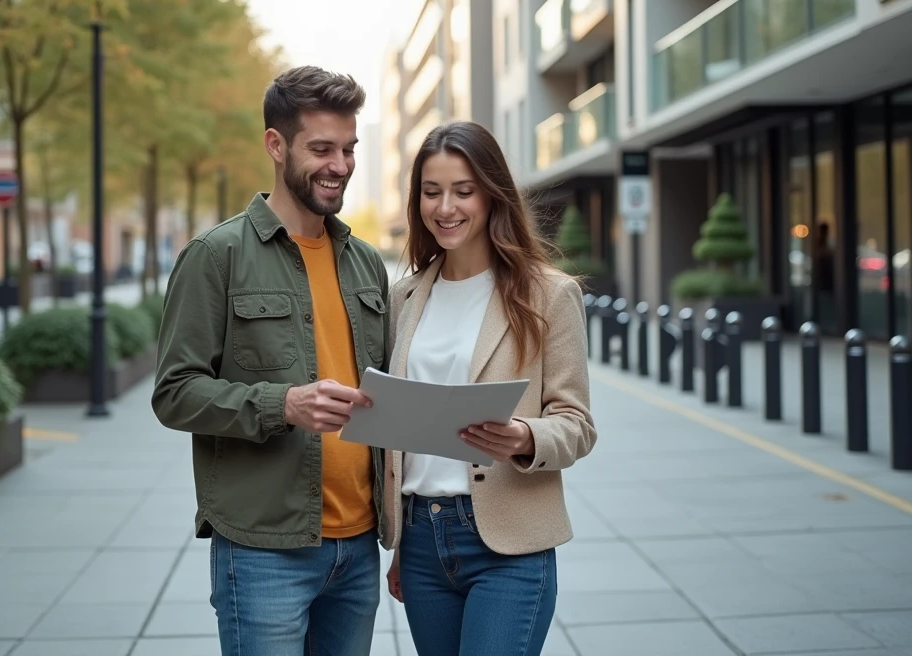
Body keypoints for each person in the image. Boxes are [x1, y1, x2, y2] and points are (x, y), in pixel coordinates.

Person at [152, 66, 391, 656]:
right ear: (276, 145)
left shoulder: (365, 263)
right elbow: (174, 392)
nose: (340, 165)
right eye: (321, 149)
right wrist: (280, 404)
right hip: (263, 553)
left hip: (359, 546)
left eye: (348, 149)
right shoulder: (216, 256)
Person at [381, 121, 597, 656]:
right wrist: (401, 548)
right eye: (432, 192)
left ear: (492, 194)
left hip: (509, 544)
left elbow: (578, 425)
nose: (445, 207)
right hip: (422, 541)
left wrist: (524, 436)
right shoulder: (403, 299)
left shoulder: (549, 295)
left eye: (463, 190)